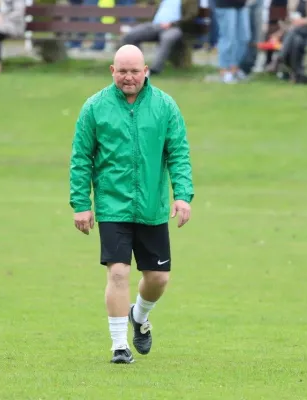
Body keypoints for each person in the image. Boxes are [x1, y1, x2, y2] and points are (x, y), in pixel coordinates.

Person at [69, 45, 194, 364]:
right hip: (113, 206)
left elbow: (178, 153)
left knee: (158, 278)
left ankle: (139, 316)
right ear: (112, 71)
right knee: (119, 273)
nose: (128, 77)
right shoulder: (95, 107)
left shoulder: (165, 106)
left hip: (152, 207)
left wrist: (182, 195)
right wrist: (81, 204)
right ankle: (119, 346)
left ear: (146, 70)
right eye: (122, 71)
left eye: (134, 71)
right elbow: (81, 158)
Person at [120, 0, 200, 76]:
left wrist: (172, 23)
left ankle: (155, 69)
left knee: (167, 38)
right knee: (131, 35)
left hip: (175, 27)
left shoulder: (190, 0)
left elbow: (191, 16)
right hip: (155, 25)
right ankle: (137, 67)